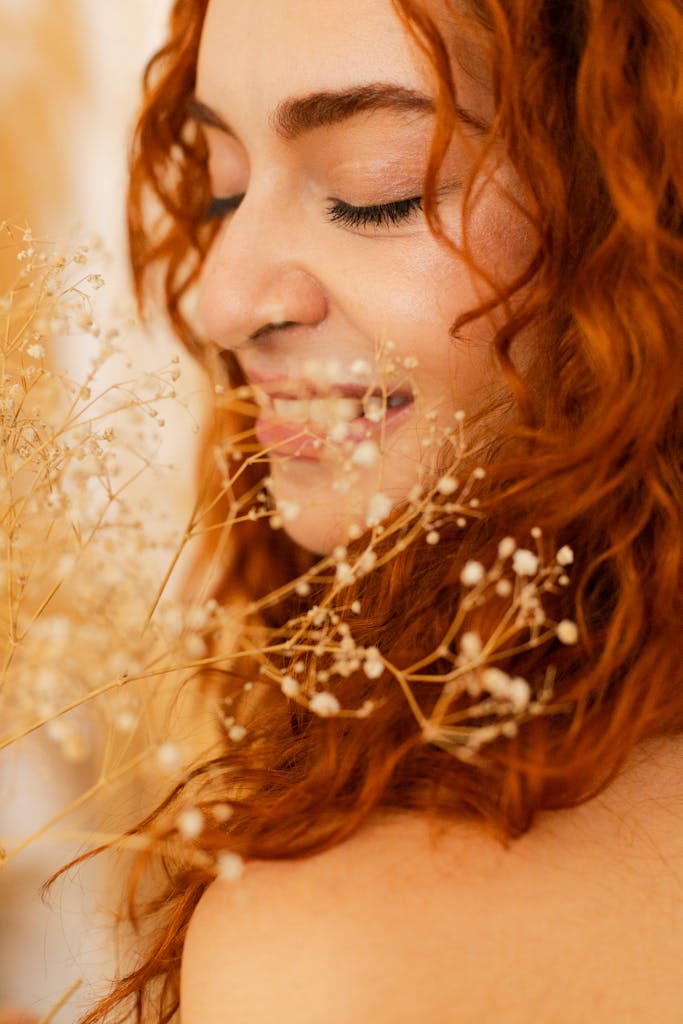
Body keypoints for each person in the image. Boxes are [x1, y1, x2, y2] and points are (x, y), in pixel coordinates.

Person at [84, 0, 683, 1020]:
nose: (219, 302)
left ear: (642, 212)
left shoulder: (343, 941)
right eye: (223, 193)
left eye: (376, 190)